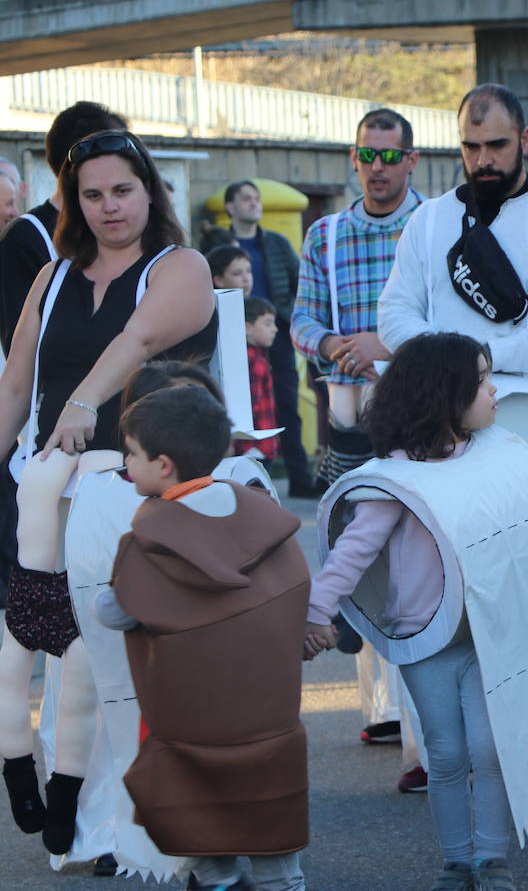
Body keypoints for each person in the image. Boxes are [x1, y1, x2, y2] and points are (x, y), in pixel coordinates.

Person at [303, 332, 528, 891]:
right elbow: (354, 550)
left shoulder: (498, 457)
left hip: (494, 635)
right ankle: (456, 862)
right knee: (444, 754)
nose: (496, 390)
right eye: (483, 380)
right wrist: (317, 610)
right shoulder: (395, 481)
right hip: (427, 639)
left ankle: (492, 862)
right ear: (446, 394)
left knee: (491, 750)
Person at [0, 129, 217, 856]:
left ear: (149, 190)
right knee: (39, 644)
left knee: (110, 660)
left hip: (139, 487)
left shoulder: (179, 265)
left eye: (121, 190)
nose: (107, 207)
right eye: (90, 195)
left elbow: (141, 340)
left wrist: (85, 405)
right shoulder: (53, 274)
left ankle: (115, 826)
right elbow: (15, 384)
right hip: (49, 484)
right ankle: (58, 801)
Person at [95, 385, 309, 891]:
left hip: (192, 736)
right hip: (267, 728)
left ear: (163, 465)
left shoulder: (149, 545)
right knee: (277, 854)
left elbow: (113, 611)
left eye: (131, 454)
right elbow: (294, 589)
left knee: (203, 841)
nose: (127, 464)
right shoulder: (264, 520)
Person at [378, 84, 528, 376]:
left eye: (497, 145)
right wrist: (444, 359)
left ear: (525, 139)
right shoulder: (427, 219)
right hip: (444, 405)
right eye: (471, 147)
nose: (483, 160)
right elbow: (394, 312)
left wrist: (484, 357)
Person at [293, 108, 424, 488]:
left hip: (422, 405)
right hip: (349, 416)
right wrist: (337, 345)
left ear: (411, 161)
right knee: (351, 525)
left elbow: (456, 320)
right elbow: (302, 321)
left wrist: (386, 345)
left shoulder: (435, 224)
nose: (377, 166)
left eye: (390, 156)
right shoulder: (324, 234)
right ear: (354, 158)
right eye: (367, 155)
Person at [0, 102, 127, 353]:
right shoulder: (25, 238)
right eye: (121, 151)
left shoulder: (123, 232)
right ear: (80, 158)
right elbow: (21, 351)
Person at [224, 179, 312, 497]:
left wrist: (286, 317)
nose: (253, 203)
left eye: (256, 198)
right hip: (236, 341)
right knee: (243, 407)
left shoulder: (275, 243)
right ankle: (243, 473)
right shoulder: (223, 246)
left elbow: (298, 280)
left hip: (275, 336)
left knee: (287, 405)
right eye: (246, 198)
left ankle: (300, 477)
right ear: (230, 207)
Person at [239, 296, 281, 465]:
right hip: (255, 447)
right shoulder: (255, 361)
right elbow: (250, 405)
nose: (275, 329)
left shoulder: (256, 357)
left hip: (256, 446)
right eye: (267, 323)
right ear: (247, 328)